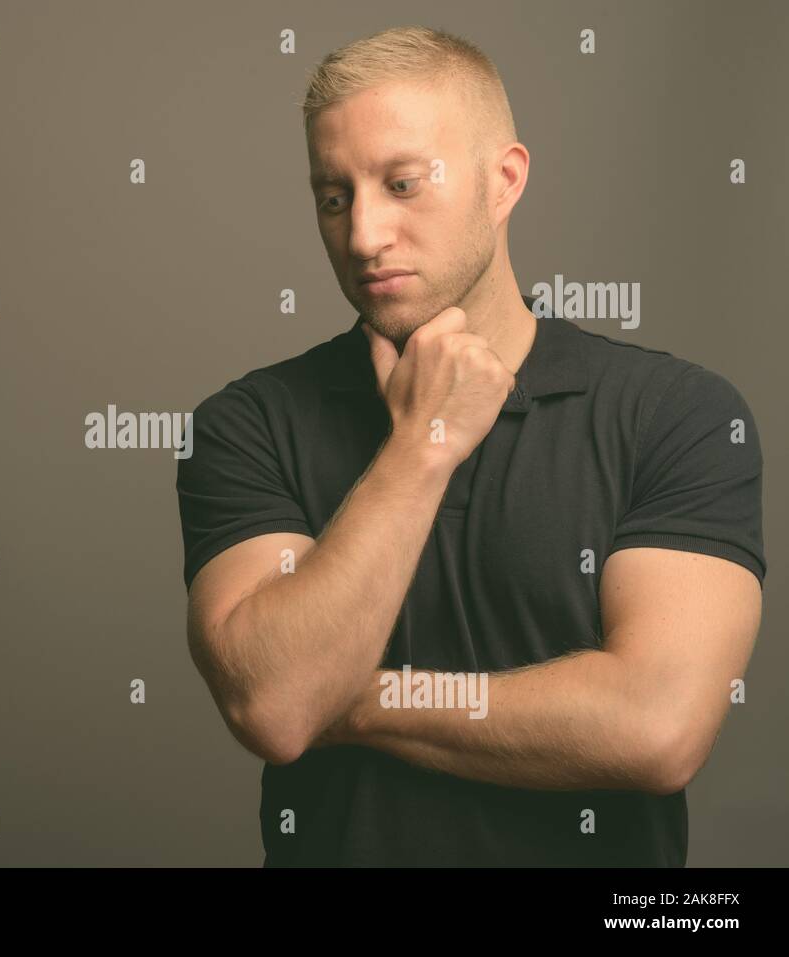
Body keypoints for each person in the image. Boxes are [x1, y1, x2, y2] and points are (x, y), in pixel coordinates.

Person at [175, 25, 765, 866]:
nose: (364, 234)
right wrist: (425, 441)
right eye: (334, 196)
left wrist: (354, 702)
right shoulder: (248, 424)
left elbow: (656, 726)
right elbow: (276, 703)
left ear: (503, 181)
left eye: (404, 183)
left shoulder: (678, 414)